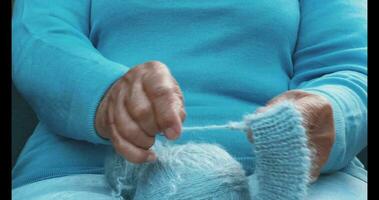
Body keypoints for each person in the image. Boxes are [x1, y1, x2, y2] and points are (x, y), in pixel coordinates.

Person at [12, 0, 367, 199]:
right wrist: (109, 95)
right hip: (88, 175)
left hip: (293, 180)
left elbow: (352, 71)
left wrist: (328, 112)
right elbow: (37, 40)